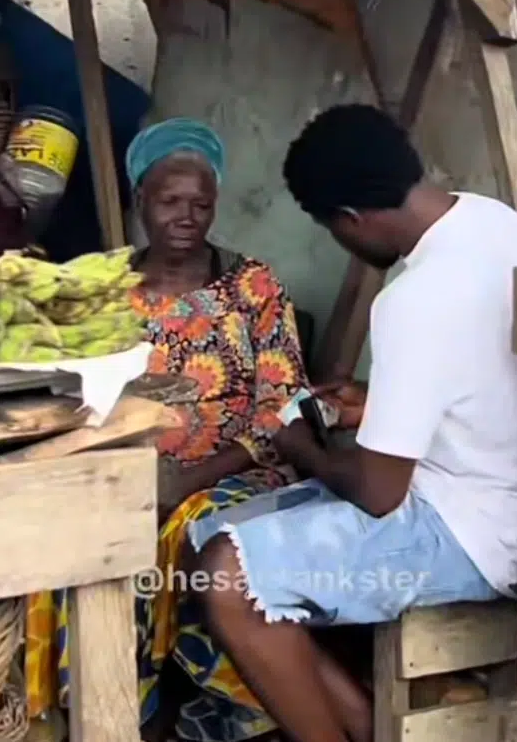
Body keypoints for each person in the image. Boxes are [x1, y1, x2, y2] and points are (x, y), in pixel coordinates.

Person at [175, 104, 517, 742]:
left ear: (352, 219)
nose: (340, 241)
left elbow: (379, 494)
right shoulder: (495, 221)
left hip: (472, 533)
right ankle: (365, 725)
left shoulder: (411, 300)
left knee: (225, 575)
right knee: (211, 526)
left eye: (331, 229)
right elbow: (480, 383)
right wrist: (372, 402)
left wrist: (300, 444)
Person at [24, 118, 311, 742]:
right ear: (139, 202)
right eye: (170, 201)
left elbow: (282, 409)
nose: (187, 216)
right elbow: (63, 400)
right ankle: (112, 712)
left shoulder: (252, 287)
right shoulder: (98, 292)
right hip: (122, 473)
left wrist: (186, 479)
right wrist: (126, 475)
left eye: (201, 204)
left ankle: (214, 714)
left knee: (191, 533)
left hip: (234, 472)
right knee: (65, 542)